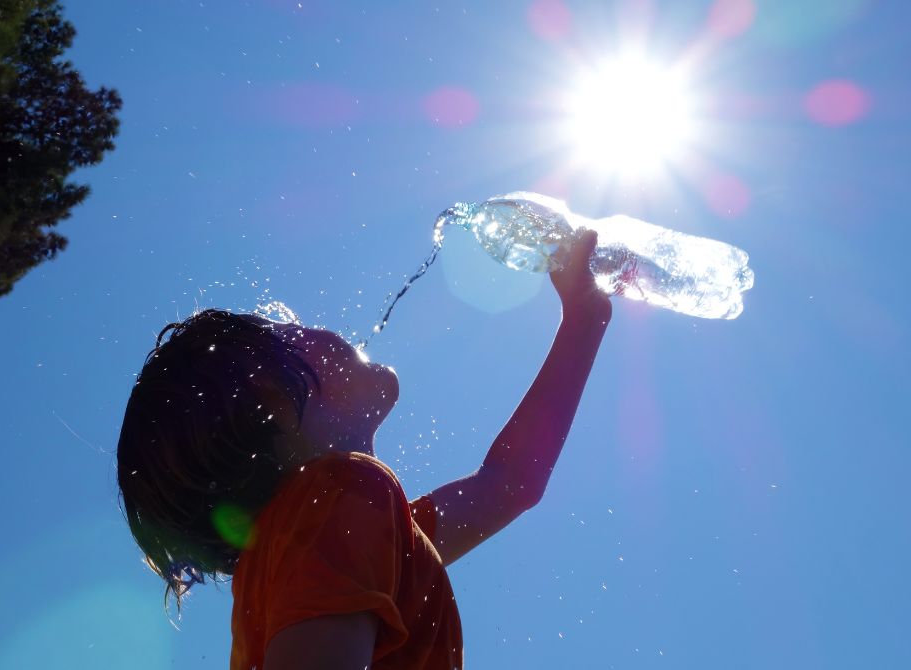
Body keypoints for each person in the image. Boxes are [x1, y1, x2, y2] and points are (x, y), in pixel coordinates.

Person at [116, 229, 612, 669]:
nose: (313, 328)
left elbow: (509, 484)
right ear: (273, 402)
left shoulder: (337, 532)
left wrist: (584, 320)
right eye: (288, 333)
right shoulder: (336, 500)